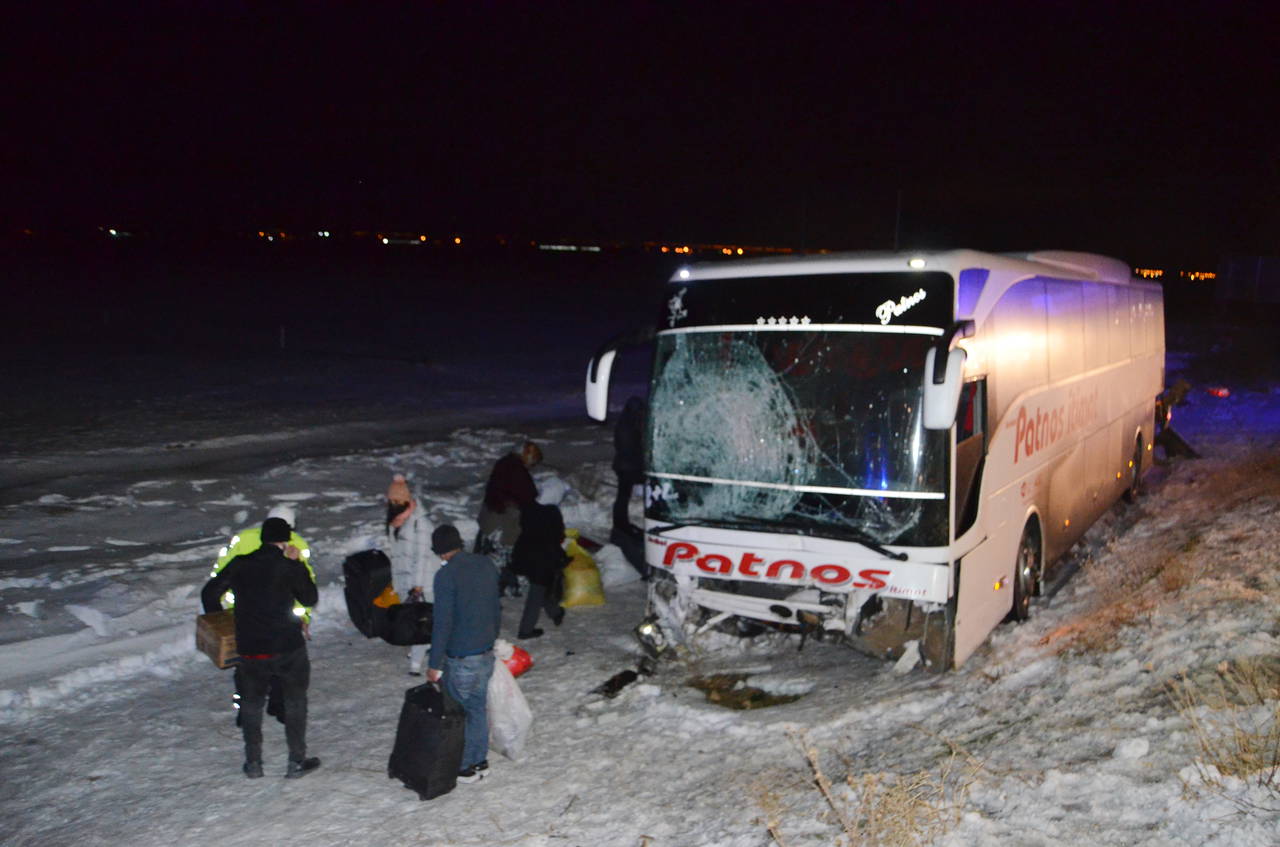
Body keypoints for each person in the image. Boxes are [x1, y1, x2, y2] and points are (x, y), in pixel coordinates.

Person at [202, 517, 320, 779]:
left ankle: (253, 763)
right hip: (288, 647)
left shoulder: (241, 564)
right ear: (285, 540)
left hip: (251, 648)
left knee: (252, 703)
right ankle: (296, 761)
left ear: (263, 539)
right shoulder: (288, 565)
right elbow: (310, 597)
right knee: (295, 701)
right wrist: (297, 564)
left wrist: (222, 623)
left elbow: (209, 593)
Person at [210, 504, 315, 724]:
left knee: (245, 668)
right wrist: (303, 617)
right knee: (281, 662)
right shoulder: (295, 544)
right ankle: (280, 706)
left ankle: (244, 710)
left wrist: (221, 620)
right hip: (280, 618)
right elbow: (305, 585)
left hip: (242, 616)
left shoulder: (241, 539)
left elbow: (219, 574)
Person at [426, 524, 500, 784]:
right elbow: (495, 606)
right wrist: (492, 638)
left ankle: (466, 766)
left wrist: (434, 663)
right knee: (478, 708)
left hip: (462, 657)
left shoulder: (446, 577)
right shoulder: (485, 565)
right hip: (486, 652)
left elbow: (442, 623)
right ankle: (481, 761)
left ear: (440, 551)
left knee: (460, 712)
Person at [384, 472, 437, 675]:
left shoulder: (420, 523)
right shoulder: (396, 522)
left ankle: (417, 662)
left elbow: (422, 557)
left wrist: (418, 586)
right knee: (418, 620)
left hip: (425, 581)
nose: (394, 505)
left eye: (398, 501)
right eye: (392, 501)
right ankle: (423, 650)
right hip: (406, 581)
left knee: (423, 620)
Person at [475, 441, 542, 595]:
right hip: (504, 522)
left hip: (488, 519)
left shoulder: (504, 463)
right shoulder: (518, 471)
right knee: (508, 551)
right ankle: (507, 583)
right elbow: (528, 496)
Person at [510, 492, 569, 639]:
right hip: (542, 558)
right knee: (536, 593)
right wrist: (560, 557)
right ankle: (526, 630)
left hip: (523, 553)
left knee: (540, 588)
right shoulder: (552, 513)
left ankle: (555, 612)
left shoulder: (529, 509)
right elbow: (558, 536)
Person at [611, 398, 650, 579]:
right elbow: (633, 448)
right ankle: (622, 524)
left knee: (623, 496)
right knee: (624, 497)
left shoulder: (624, 423)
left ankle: (621, 523)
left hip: (624, 466)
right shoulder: (630, 426)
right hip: (630, 466)